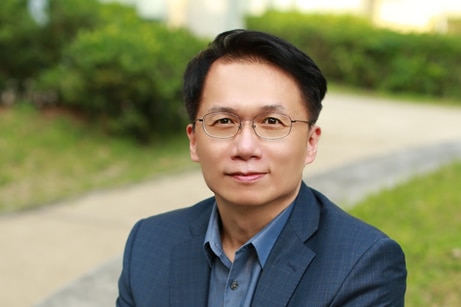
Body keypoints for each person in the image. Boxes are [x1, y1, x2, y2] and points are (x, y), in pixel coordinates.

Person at [116, 29, 407, 306]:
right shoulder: (149, 243)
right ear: (193, 141)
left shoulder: (363, 264)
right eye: (224, 122)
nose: (245, 148)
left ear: (310, 143)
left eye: (271, 122)